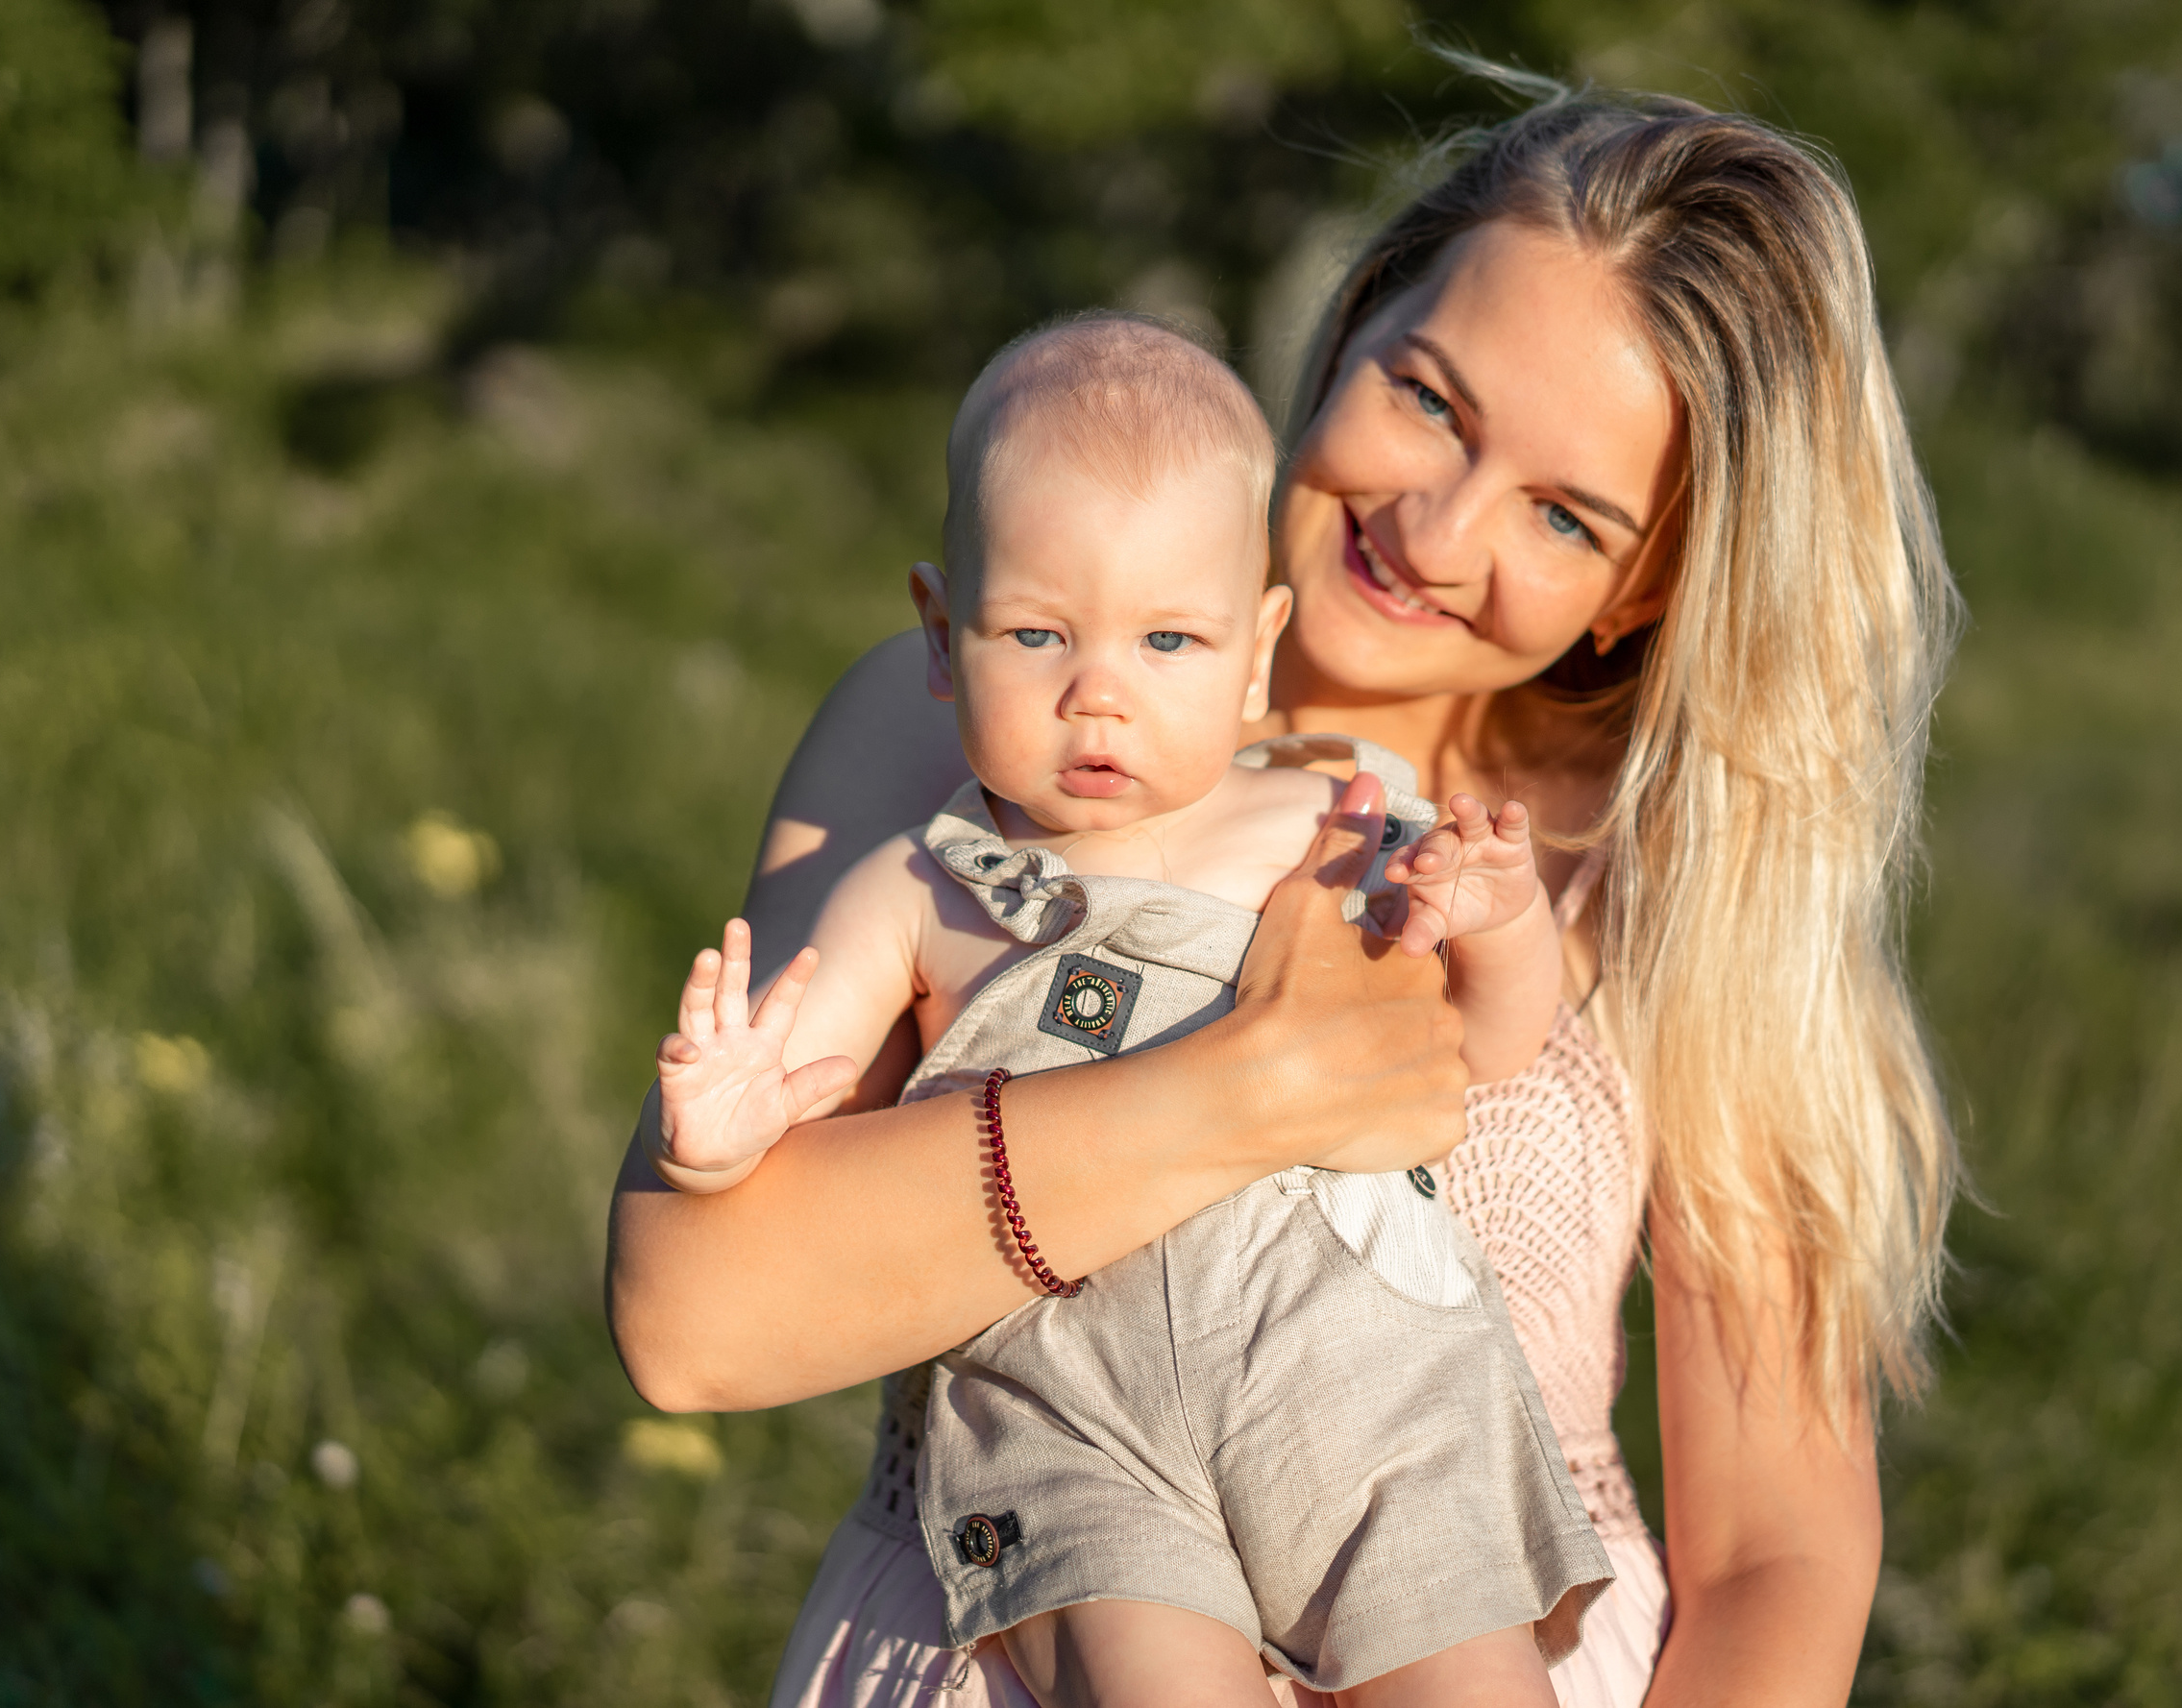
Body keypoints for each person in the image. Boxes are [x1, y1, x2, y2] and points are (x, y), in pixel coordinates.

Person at [606, 63, 1959, 1708]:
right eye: (1432, 398)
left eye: (1564, 512)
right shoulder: (976, 730)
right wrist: (1247, 1090)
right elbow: (696, 1317)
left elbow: (1778, 1556)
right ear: (1362, 310)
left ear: (1646, 583)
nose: (1436, 528)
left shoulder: (1674, 877)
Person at [651, 313, 1611, 1705]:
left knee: (1469, 1676)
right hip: (1075, 1420)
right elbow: (796, 1100)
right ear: (941, 632)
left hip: (1361, 1382)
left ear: (1254, 650)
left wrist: (1503, 918)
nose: (1099, 694)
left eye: (1168, 638)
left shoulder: (1332, 826)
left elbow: (1488, 1047)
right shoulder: (918, 884)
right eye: (1039, 633)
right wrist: (719, 1136)